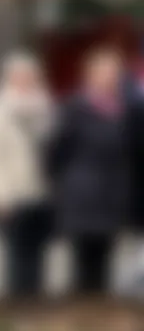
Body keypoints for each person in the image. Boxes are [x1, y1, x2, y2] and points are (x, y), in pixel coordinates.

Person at [46, 44, 137, 293]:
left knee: (104, 263)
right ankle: (83, 316)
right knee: (84, 264)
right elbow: (56, 152)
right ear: (91, 74)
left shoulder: (123, 110)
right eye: (104, 72)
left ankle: (99, 314)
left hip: (112, 197)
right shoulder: (75, 108)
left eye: (114, 73)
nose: (110, 78)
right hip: (84, 196)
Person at [0, 54, 53, 294]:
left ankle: (35, 303)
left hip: (42, 195)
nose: (25, 81)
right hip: (12, 196)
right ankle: (18, 310)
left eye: (30, 77)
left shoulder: (45, 108)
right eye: (20, 77)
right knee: (17, 256)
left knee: (38, 256)